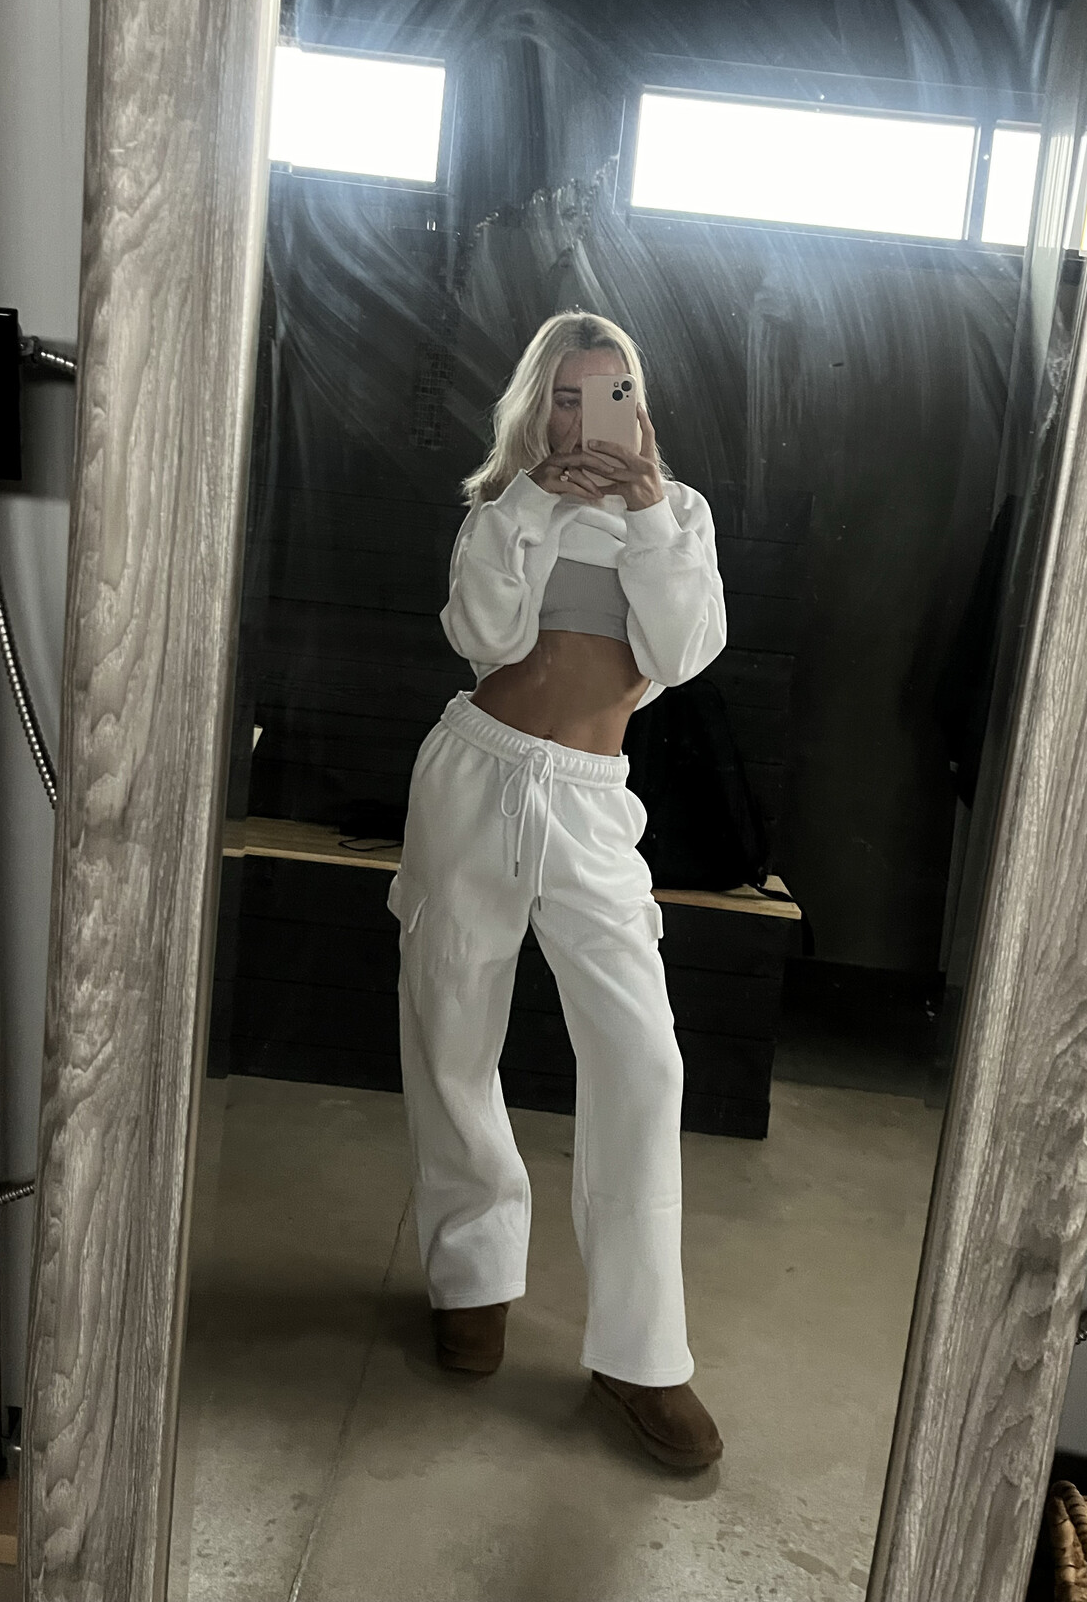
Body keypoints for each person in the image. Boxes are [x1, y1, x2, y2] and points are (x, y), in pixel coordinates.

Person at [387, 309, 728, 1471]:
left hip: (590, 803)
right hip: (475, 772)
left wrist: (644, 509)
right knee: (451, 1033)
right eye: (567, 398)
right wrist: (531, 501)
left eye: (610, 394)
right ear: (539, 406)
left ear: (640, 403)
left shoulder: (680, 515)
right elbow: (481, 635)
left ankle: (643, 1356)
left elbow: (680, 654)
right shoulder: (501, 508)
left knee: (644, 1061)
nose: (588, 422)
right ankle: (471, 1278)